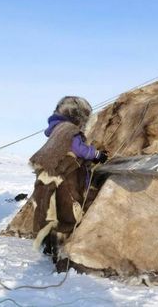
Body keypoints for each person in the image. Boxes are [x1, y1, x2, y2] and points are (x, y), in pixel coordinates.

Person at [30, 96, 108, 259]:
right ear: (79, 116)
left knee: (51, 209)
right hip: (65, 174)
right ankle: (60, 246)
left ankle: (49, 244)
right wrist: (97, 154)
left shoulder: (57, 129)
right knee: (68, 207)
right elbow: (78, 148)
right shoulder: (69, 130)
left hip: (49, 175)